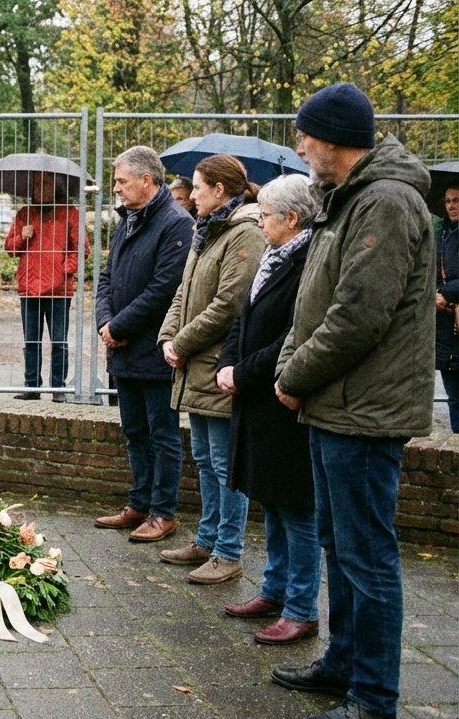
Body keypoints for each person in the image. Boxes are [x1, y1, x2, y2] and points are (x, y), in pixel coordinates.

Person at [271, 83, 435, 719]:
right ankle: (343, 661)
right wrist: (294, 370)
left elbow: (358, 316)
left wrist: (293, 375)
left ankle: (374, 696)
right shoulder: (350, 200)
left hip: (363, 412)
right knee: (339, 547)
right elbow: (316, 300)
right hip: (334, 405)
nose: (299, 146)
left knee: (366, 557)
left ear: (333, 139)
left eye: (305, 135)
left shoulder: (386, 204)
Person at [215, 173, 322, 645]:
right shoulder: (273, 256)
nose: (259, 221)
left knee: (297, 508)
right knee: (272, 501)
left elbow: (292, 336)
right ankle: (274, 590)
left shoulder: (309, 262)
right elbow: (245, 316)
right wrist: (226, 363)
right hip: (257, 398)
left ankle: (301, 607)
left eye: (265, 215)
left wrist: (244, 372)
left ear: (292, 218)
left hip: (283, 398)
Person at [156, 154, 265, 584]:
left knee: (224, 463)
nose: (191, 194)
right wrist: (168, 338)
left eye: (198, 187)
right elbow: (185, 291)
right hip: (193, 364)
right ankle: (206, 539)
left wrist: (182, 343)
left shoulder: (244, 236)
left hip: (216, 364)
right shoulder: (207, 232)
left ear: (219, 190)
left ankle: (228, 550)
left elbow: (229, 305)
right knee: (203, 457)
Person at [92, 146, 193, 542]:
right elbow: (106, 275)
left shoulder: (175, 223)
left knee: (162, 433)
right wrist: (105, 320)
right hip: (122, 347)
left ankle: (163, 512)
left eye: (121, 181)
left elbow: (163, 289)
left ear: (146, 181)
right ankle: (139, 502)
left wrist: (120, 325)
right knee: (134, 430)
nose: (115, 188)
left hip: (153, 348)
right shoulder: (128, 219)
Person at [4, 171, 79, 401]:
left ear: (56, 186)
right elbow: (10, 248)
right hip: (29, 287)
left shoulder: (69, 213)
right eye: (35, 184)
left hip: (58, 290)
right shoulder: (25, 214)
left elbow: (80, 249)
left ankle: (59, 388)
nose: (39, 188)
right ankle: (32, 386)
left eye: (45, 183)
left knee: (59, 341)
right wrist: (22, 237)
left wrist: (63, 270)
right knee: (31, 341)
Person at [435, 183, 459, 431]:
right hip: (446, 326)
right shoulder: (440, 234)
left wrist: (442, 292)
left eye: (457, 200)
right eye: (448, 200)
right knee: (454, 396)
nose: (451, 205)